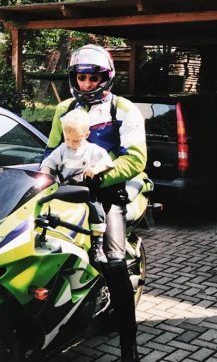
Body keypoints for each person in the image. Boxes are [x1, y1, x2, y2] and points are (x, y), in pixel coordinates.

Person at [43, 44, 147, 362]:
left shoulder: (124, 109)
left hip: (107, 191)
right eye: (81, 77)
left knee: (113, 262)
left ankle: (129, 344)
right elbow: (49, 153)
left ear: (106, 78)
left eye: (92, 77)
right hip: (69, 192)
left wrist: (98, 177)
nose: (86, 83)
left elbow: (136, 158)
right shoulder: (63, 111)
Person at [40, 108, 115, 265]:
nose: (71, 144)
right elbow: (48, 162)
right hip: (63, 189)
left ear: (86, 135)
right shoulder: (62, 149)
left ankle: (97, 244)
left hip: (84, 190)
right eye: (68, 139)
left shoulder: (92, 150)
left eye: (76, 140)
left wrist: (95, 169)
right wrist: (46, 172)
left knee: (96, 210)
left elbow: (108, 162)